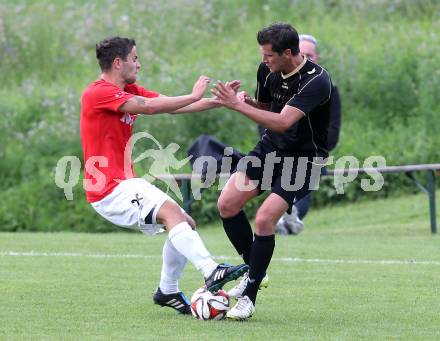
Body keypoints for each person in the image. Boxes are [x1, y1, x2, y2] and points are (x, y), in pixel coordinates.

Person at [80, 36, 248, 315]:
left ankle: (167, 291)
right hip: (107, 188)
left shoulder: (127, 88)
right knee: (172, 213)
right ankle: (211, 270)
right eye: (135, 58)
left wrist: (221, 102)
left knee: (185, 223)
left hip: (122, 183)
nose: (139, 63)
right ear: (118, 62)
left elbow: (169, 105)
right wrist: (194, 94)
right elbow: (148, 107)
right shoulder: (98, 92)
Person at [212, 23, 332, 320]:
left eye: (269, 56)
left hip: (304, 159)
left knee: (265, 218)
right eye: (263, 55)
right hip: (270, 149)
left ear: (289, 53)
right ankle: (255, 271)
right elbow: (267, 107)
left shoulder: (317, 81)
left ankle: (249, 296)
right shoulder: (267, 69)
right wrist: (245, 102)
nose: (264, 60)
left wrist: (235, 107)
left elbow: (282, 121)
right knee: (227, 204)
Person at [274, 33, 342, 235]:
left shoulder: (328, 88)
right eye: (301, 54)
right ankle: (285, 218)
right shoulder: (275, 85)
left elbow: (333, 130)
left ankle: (287, 218)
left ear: (317, 59)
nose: (306, 60)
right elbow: (266, 124)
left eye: (310, 56)